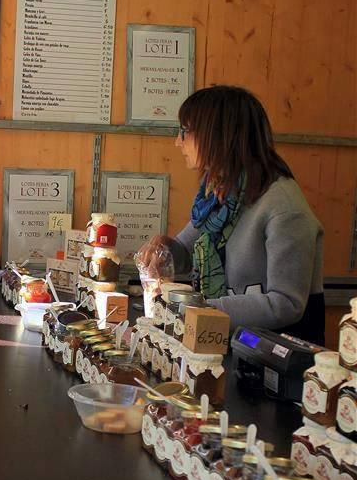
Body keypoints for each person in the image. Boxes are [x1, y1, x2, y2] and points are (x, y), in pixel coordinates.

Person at [138, 85, 325, 344]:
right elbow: (185, 249)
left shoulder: (283, 207)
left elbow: (286, 303)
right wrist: (164, 249)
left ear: (217, 136)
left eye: (185, 132)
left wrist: (201, 310)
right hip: (224, 343)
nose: (178, 142)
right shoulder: (221, 194)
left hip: (272, 361)